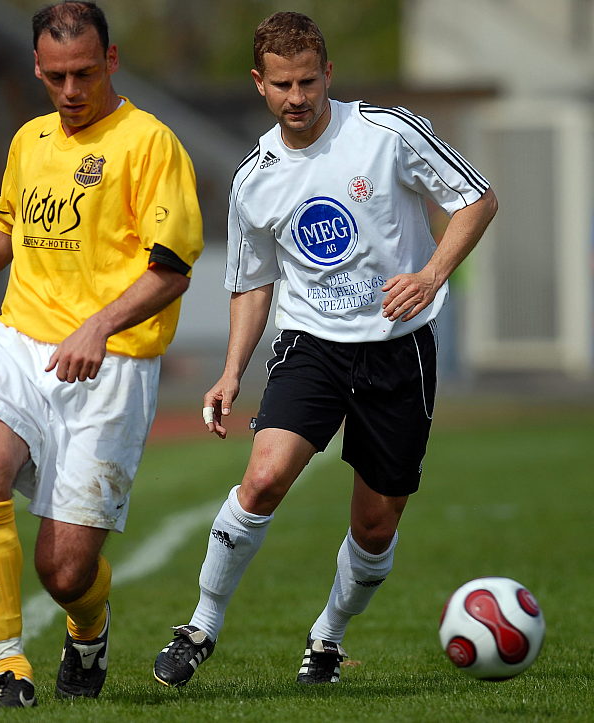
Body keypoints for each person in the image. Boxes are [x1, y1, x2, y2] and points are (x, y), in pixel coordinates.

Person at [153, 11, 497, 687]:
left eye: (308, 80)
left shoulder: (386, 132)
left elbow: (477, 200)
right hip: (312, 343)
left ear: (328, 73)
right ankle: (200, 626)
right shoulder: (256, 178)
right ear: (259, 83)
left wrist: (430, 276)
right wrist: (230, 373)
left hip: (401, 349)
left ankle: (328, 638)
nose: (298, 96)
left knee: (375, 524)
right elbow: (252, 284)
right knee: (263, 476)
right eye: (282, 83)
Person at [0, 0, 203, 709]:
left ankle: (88, 627)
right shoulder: (31, 140)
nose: (72, 92)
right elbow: (4, 222)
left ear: (110, 60)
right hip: (19, 342)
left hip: (111, 366)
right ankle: (9, 662)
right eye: (56, 77)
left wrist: (98, 326)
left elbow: (173, 269)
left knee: (66, 571)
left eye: (83, 73)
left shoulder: (150, 143)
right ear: (37, 69)